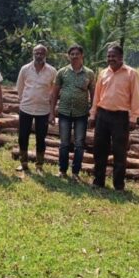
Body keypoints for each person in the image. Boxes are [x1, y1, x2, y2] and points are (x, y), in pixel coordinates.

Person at [89, 45, 139, 190]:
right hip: (103, 115)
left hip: (121, 117)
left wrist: (134, 118)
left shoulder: (131, 73)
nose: (110, 59)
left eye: (114, 56)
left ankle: (118, 185)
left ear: (121, 57)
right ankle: (98, 181)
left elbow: (135, 97)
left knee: (119, 151)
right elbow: (97, 96)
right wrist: (93, 114)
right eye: (109, 56)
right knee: (99, 150)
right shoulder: (103, 73)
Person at [49, 45, 95, 181]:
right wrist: (51, 112)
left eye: (77, 54)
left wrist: (93, 113)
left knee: (79, 143)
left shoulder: (89, 73)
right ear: (68, 56)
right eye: (72, 54)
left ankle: (75, 172)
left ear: (82, 56)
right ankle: (62, 170)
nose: (74, 56)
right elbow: (54, 93)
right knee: (64, 143)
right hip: (64, 113)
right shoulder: (62, 72)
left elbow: (93, 95)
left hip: (82, 114)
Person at [15, 44, 56, 174]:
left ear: (45, 55)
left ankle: (39, 165)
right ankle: (24, 163)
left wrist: (51, 111)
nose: (39, 56)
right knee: (23, 136)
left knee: (41, 138)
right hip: (26, 108)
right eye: (36, 53)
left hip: (43, 110)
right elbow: (20, 87)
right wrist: (23, 99)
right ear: (33, 54)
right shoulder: (25, 69)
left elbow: (54, 92)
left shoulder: (52, 71)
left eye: (41, 53)